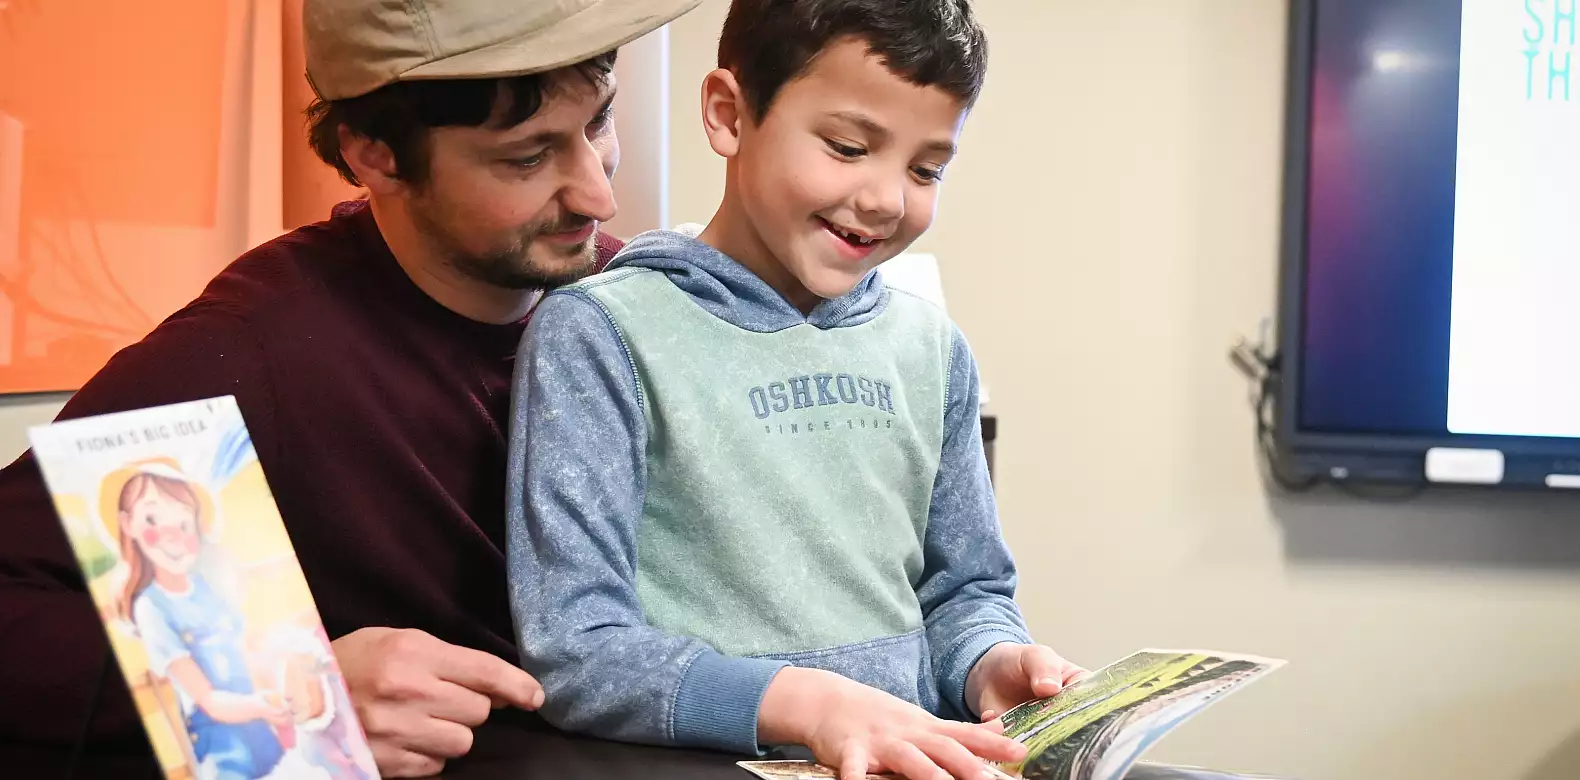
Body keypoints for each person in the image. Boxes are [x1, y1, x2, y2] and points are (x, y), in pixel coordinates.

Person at [0, 0, 700, 776]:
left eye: (598, 123)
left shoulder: (651, 302)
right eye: (527, 158)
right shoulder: (251, 349)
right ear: (373, 155)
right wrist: (289, 692)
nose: (597, 195)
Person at [505, 2, 1085, 779]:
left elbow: (965, 591)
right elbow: (577, 652)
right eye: (848, 147)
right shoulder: (601, 334)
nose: (886, 198)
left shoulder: (931, 349)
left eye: (926, 169)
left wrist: (990, 661)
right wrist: (803, 704)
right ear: (727, 115)